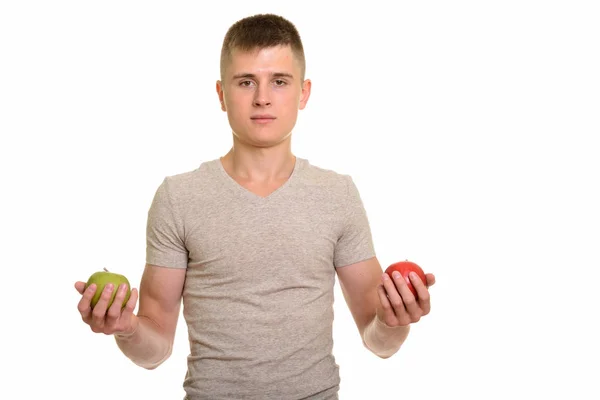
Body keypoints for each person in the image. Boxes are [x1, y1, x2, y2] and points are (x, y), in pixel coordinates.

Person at [75, 13, 435, 400]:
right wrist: (126, 327)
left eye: (279, 81)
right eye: (246, 81)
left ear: (304, 93)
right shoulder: (178, 197)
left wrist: (396, 321)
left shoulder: (337, 194)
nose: (262, 97)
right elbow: (155, 349)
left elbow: (377, 339)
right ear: (221, 94)